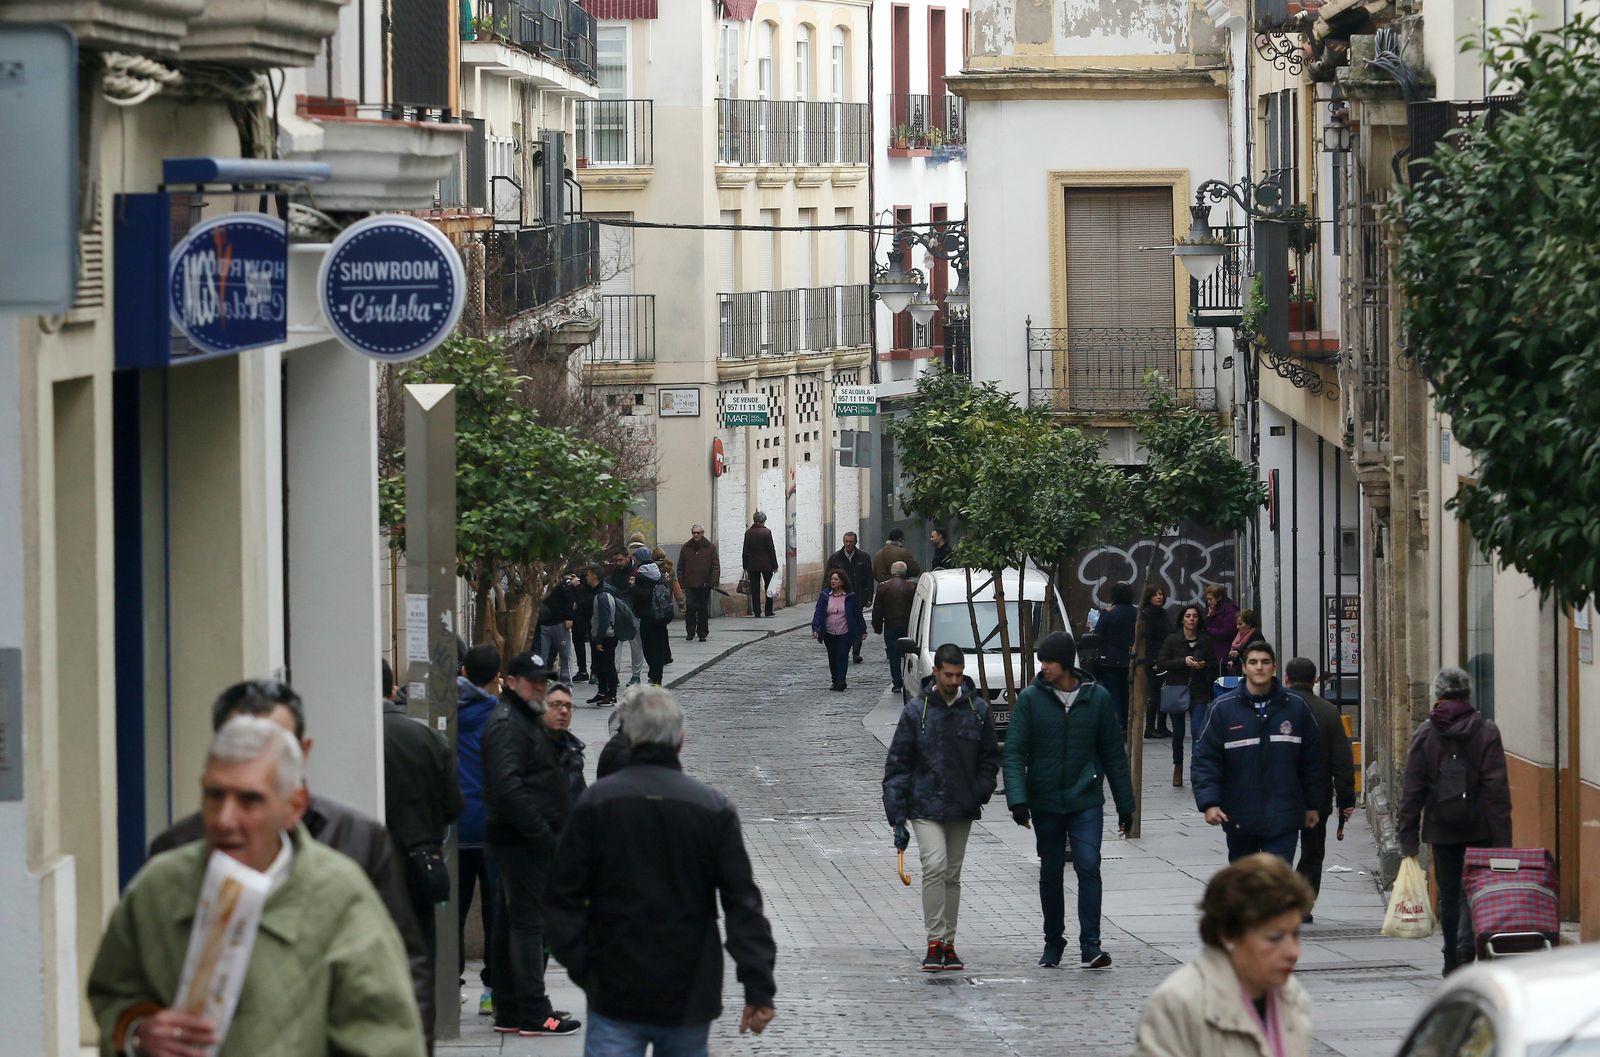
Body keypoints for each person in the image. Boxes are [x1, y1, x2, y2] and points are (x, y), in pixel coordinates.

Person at [91, 716, 425, 1057]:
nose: (224, 818)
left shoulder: (339, 895)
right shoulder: (158, 886)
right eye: (214, 795)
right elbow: (113, 994)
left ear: (294, 806)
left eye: (249, 800)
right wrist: (136, 1033)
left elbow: (387, 1039)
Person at [546, 686, 778, 1053]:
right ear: (680, 741)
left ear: (630, 737)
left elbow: (562, 895)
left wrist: (584, 966)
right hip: (688, 986)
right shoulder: (711, 809)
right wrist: (758, 986)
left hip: (614, 982)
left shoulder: (596, 804)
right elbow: (742, 904)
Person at [1004, 632, 1134, 969]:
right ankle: (1053, 941)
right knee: (1050, 872)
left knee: (1089, 865)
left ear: (1065, 663)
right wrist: (1018, 800)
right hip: (1045, 799)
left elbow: (1112, 755)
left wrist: (1125, 805)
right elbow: (1015, 752)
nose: (1043, 666)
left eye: (1048, 660)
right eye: (1041, 660)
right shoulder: (1032, 699)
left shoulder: (1097, 698)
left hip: (1085, 798)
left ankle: (1091, 944)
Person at [882, 644, 1001, 972]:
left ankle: (948, 942)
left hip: (962, 804)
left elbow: (990, 758)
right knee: (935, 865)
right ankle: (935, 940)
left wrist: (980, 791)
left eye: (959, 675)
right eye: (948, 674)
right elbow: (898, 764)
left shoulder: (977, 710)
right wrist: (897, 816)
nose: (954, 681)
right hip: (925, 803)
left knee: (952, 873)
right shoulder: (917, 711)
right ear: (935, 672)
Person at [482, 652, 581, 1037]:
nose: (539, 687)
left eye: (543, 681)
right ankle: (535, 1011)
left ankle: (509, 1008)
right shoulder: (509, 724)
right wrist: (540, 833)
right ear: (511, 682)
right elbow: (507, 787)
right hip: (521, 840)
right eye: (533, 681)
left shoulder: (521, 719)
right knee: (527, 925)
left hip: (520, 837)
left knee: (511, 923)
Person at [1131, 854, 1315, 1057]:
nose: (1293, 952)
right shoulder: (1179, 1003)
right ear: (1229, 933)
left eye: (1295, 934)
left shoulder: (1291, 995)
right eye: (1274, 938)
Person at [1396, 666, 1513, 976]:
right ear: (1468, 693)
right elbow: (1496, 790)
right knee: (1474, 890)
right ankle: (1466, 945)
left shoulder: (1426, 733)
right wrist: (1503, 843)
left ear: (1437, 695)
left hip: (1441, 827)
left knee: (1448, 894)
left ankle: (1451, 957)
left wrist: (1407, 837)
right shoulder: (1486, 731)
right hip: (1480, 827)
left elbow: (1412, 788)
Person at [1191, 642, 1326, 863]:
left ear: (1274, 667)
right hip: (1240, 816)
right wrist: (1209, 802)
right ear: (1244, 668)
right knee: (1247, 888)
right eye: (1253, 662)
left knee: (1277, 884)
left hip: (1284, 816)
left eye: (1265, 662)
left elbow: (1313, 761)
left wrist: (1313, 804)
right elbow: (1205, 758)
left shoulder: (1295, 707)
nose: (1259, 667)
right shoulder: (1222, 709)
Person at [381, 659, 465, 967]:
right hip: (420, 860)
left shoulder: (350, 738)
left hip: (371, 866)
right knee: (420, 952)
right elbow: (453, 805)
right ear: (392, 690)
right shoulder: (427, 738)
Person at [1282, 658, 1355, 920]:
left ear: (1286, 679)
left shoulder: (1276, 710)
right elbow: (1343, 761)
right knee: (1313, 851)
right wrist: (1346, 799)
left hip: (1281, 794)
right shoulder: (1327, 712)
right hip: (1317, 795)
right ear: (1314, 681)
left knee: (1280, 848)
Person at [456, 643, 502, 1015]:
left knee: (451, 909)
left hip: (452, 827)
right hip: (490, 827)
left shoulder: (440, 714)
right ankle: (492, 989)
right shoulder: (497, 717)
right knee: (494, 911)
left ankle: (450, 982)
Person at [1156, 604, 1217, 786]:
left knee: (1198, 731)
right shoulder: (1172, 640)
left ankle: (1196, 768)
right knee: (1178, 733)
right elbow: (1161, 662)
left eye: (1195, 616)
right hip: (1177, 689)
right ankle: (1178, 765)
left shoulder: (1205, 640)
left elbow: (1214, 664)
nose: (1191, 619)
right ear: (1182, 619)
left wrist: (1203, 666)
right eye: (1188, 616)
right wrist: (1183, 662)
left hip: (1198, 690)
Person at [811, 567, 867, 692]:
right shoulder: (825, 595)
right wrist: (815, 628)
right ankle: (835, 680)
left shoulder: (850, 597)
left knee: (842, 655)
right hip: (829, 632)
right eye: (831, 579)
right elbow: (819, 612)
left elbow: (858, 614)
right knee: (832, 656)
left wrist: (863, 629)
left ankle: (841, 680)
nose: (833, 581)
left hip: (844, 631)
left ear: (842, 581)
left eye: (836, 579)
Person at [826, 531, 876, 662]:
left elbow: (869, 578)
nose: (848, 544)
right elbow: (827, 578)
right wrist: (826, 596)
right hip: (839, 596)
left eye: (851, 542)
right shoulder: (835, 558)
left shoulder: (863, 557)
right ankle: (844, 648)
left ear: (855, 542)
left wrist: (869, 597)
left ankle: (856, 652)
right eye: (846, 542)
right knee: (843, 623)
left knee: (857, 622)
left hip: (858, 596)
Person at [1096, 583, 1137, 734]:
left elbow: (1098, 633)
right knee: (1126, 693)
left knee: (1113, 693)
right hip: (1130, 658)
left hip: (1110, 659)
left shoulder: (1109, 613)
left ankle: (1118, 725)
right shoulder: (1136, 613)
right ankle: (1127, 724)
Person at [873, 560, 918, 694]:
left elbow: (878, 609)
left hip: (891, 624)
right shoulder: (911, 587)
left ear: (891, 572)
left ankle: (897, 683)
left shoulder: (883, 587)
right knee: (909, 653)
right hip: (907, 625)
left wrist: (877, 626)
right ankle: (908, 679)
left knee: (893, 655)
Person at [587, 564, 627, 706]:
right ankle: (602, 692)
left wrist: (598, 640)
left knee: (608, 666)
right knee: (600, 666)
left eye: (588, 574)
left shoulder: (603, 595)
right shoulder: (601, 592)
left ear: (594, 576)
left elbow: (604, 620)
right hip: (602, 635)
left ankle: (611, 695)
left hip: (606, 637)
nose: (587, 577)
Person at [678, 523, 721, 643]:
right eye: (694, 533)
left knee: (703, 608)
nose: (696, 535)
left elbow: (715, 566)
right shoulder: (686, 547)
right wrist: (681, 583)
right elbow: (680, 566)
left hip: (705, 584)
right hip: (690, 583)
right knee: (690, 607)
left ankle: (702, 632)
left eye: (698, 533)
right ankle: (690, 631)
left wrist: (713, 581)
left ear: (702, 533)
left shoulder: (710, 547)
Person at [1140, 585, 1174, 739]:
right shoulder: (1147, 614)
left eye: (1161, 594)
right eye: (1155, 595)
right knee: (1155, 693)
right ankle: (1150, 727)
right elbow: (1148, 638)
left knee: (1164, 690)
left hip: (1164, 656)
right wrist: (1152, 658)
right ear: (1149, 597)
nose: (1159, 597)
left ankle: (1161, 725)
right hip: (1153, 657)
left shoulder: (1161, 613)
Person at [632, 561, 672, 686]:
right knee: (658, 648)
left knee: (650, 650)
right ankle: (656, 676)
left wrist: (634, 588)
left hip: (648, 619)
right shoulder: (661, 578)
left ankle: (655, 676)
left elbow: (644, 597)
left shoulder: (643, 581)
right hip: (661, 618)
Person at [536, 575, 580, 684]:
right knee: (543, 655)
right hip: (544, 624)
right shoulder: (539, 583)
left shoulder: (561, 583)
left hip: (559, 623)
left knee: (565, 655)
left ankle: (567, 683)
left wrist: (569, 617)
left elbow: (569, 599)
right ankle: (541, 680)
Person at [742, 511, 779, 617]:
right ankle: (768, 610)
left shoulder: (748, 532)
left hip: (752, 565)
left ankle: (757, 611)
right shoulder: (766, 532)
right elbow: (771, 550)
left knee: (755, 588)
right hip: (766, 564)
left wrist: (745, 565)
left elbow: (745, 550)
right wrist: (775, 565)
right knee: (769, 586)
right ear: (763, 521)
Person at [1203, 584, 1241, 671]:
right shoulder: (1213, 609)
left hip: (1223, 653)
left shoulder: (1230, 610)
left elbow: (1228, 632)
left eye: (1211, 599)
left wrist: (1208, 630)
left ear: (1219, 598)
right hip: (1213, 654)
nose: (1208, 602)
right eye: (1207, 599)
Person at [570, 568, 594, 683]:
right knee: (578, 644)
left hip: (589, 616)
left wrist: (577, 586)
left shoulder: (589, 581)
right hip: (578, 617)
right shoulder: (574, 577)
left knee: (594, 644)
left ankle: (593, 671)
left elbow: (586, 600)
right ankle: (583, 671)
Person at [1226, 608, 1267, 675]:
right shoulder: (1239, 636)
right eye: (1237, 624)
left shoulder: (1256, 636)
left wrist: (1239, 655)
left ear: (1249, 624)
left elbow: (1257, 653)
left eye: (1240, 624)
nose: (1237, 627)